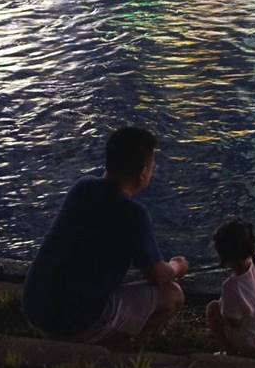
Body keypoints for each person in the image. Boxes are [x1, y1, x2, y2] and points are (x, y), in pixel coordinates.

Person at [22, 126, 189, 344]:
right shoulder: (133, 213)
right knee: (172, 295)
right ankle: (120, 347)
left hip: (35, 310)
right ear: (143, 172)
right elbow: (157, 275)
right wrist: (177, 266)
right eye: (152, 166)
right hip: (73, 323)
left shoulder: (81, 189)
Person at [206, 218, 255, 357]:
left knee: (213, 309)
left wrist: (221, 316)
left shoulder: (232, 285)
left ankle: (230, 352)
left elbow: (233, 320)